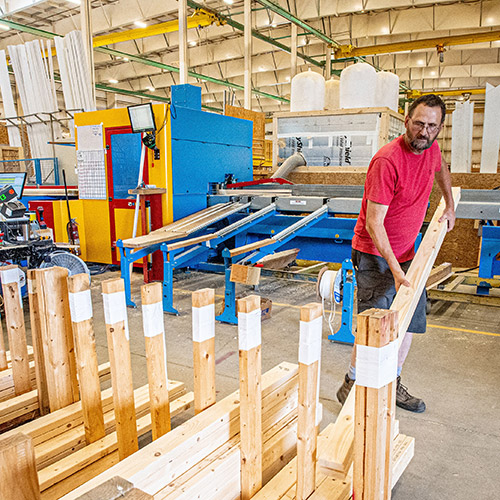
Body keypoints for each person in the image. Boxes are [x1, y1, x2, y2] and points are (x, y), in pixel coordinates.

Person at [336, 94, 456, 413]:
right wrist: (395, 268)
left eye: (431, 126)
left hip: (408, 253)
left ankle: (392, 380)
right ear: (406, 122)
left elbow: (442, 170)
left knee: (409, 322)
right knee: (375, 323)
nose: (424, 131)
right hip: (375, 253)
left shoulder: (430, 150)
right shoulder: (387, 160)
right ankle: (353, 380)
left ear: (439, 128)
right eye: (418, 123)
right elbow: (375, 224)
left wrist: (451, 205)